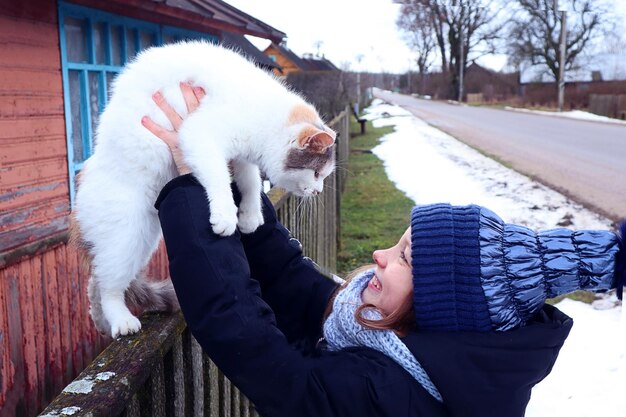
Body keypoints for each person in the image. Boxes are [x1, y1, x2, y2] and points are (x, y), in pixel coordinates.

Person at [143, 84, 625, 417]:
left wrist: (192, 185)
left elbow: (256, 350)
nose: (378, 254)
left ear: (440, 311)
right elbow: (292, 280)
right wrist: (227, 176)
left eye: (405, 258)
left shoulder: (392, 395)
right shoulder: (395, 337)